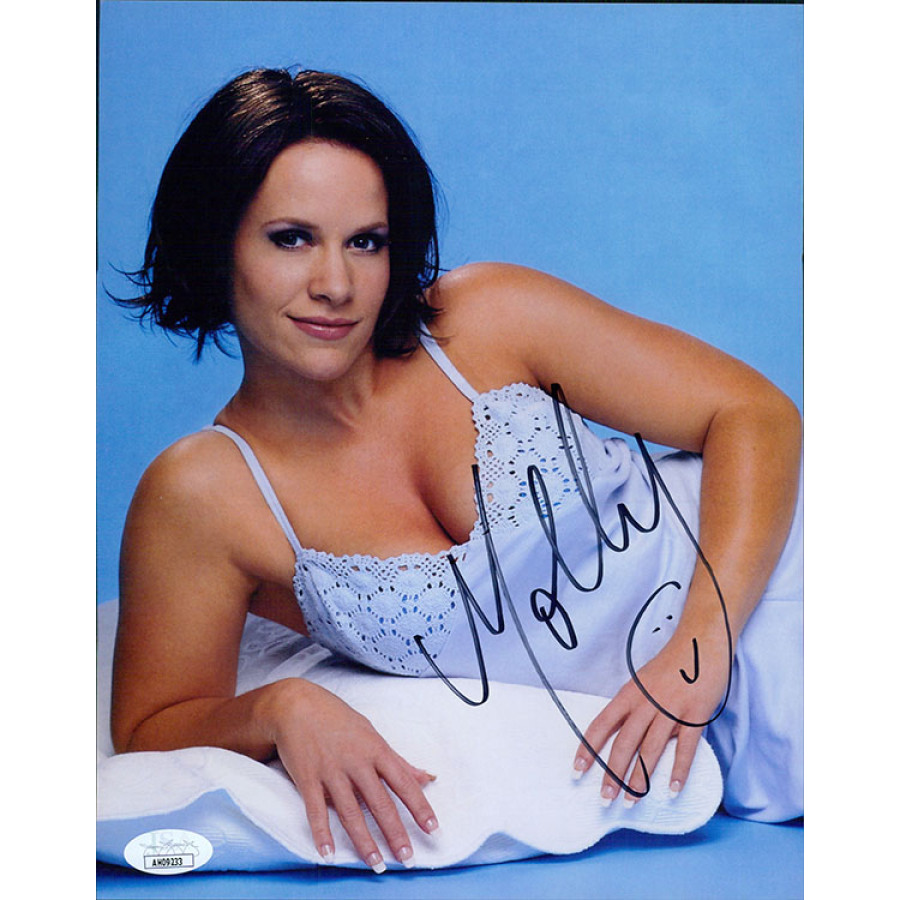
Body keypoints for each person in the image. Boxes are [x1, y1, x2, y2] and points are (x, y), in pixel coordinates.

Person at [109, 67, 803, 874]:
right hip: (696, 742)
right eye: (291, 238)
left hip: (775, 568)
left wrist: (696, 653)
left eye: (366, 241)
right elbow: (152, 725)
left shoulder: (483, 321)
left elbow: (754, 415)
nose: (335, 285)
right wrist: (281, 706)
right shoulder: (205, 494)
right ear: (214, 241)